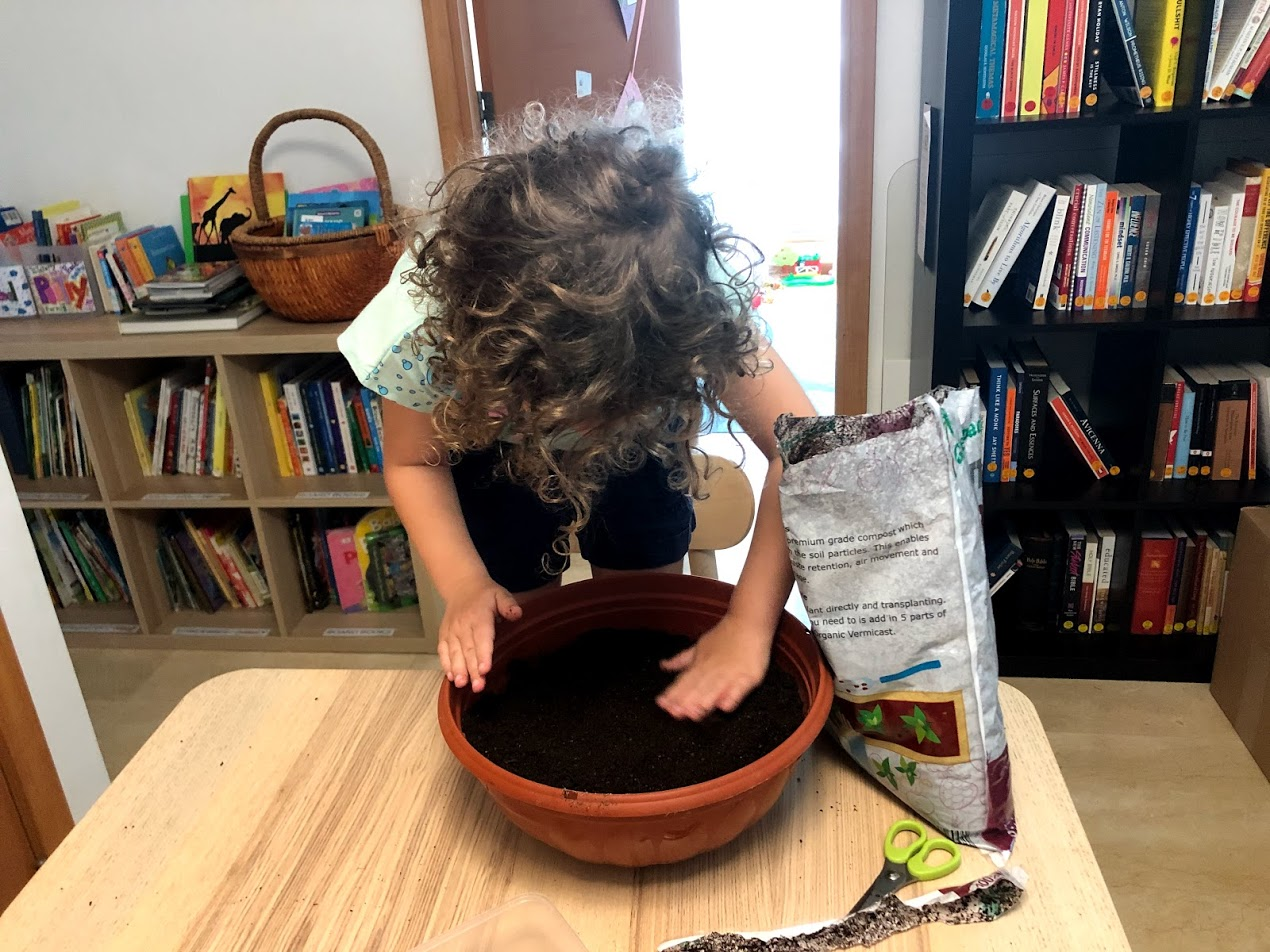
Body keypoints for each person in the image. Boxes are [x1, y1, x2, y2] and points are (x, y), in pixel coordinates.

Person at [337, 102, 815, 721]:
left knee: (640, 606)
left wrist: (749, 624)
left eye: (608, 408)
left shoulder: (692, 296)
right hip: (492, 443)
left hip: (643, 448)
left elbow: (801, 450)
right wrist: (465, 585)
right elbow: (413, 463)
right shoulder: (431, 327)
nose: (585, 432)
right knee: (519, 615)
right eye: (565, 409)